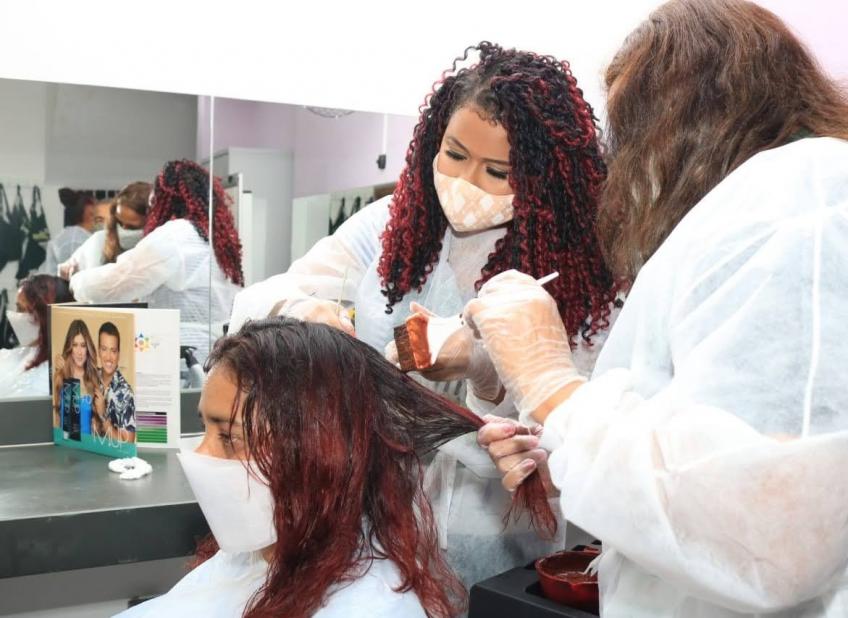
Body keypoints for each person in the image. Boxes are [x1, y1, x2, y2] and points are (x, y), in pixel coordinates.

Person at [469, 1, 848, 616]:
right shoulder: (796, 201)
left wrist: (553, 387)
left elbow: (761, 531)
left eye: (630, 128)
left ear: (681, 119)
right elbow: (731, 446)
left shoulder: (803, 206)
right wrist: (569, 452)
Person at [229, 42, 624, 587]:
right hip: (377, 515)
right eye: (455, 155)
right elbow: (260, 299)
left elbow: (571, 443)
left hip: (499, 534)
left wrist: (485, 372)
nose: (467, 184)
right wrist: (304, 309)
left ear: (541, 178)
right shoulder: (395, 224)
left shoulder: (578, 267)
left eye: (497, 171)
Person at [117, 318, 487, 617]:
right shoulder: (262, 550)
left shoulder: (370, 608)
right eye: (205, 428)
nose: (201, 454)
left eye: (229, 438)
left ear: (316, 453)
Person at [70, 160, 244, 355]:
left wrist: (76, 281)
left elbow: (114, 283)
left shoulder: (173, 236)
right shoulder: (215, 236)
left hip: (182, 354)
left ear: (163, 198)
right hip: (217, 351)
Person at [59, 182, 152, 280]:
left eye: (132, 227)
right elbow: (65, 270)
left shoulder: (162, 254)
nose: (123, 230)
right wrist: (66, 271)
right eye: (119, 222)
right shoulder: (100, 240)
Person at [0, 274, 74, 397]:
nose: (15, 316)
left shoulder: (48, 379)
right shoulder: (27, 356)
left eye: (21, 308)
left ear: (43, 316)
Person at [52, 319, 103, 433]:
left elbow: (99, 429)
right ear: (70, 348)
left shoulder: (94, 378)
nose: (79, 352)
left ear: (88, 348)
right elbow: (56, 420)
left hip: (87, 447)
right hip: (66, 446)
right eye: (75, 345)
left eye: (83, 345)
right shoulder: (61, 376)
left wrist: (100, 416)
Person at [41, 189, 102, 274]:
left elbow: (49, 272)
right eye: (94, 214)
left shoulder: (57, 240)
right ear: (89, 215)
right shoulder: (87, 240)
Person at [95, 321, 136, 443]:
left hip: (113, 461)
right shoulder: (90, 379)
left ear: (118, 354)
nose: (108, 357)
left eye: (113, 351)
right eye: (104, 349)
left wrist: (103, 416)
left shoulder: (127, 394)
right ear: (98, 351)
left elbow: (127, 444)